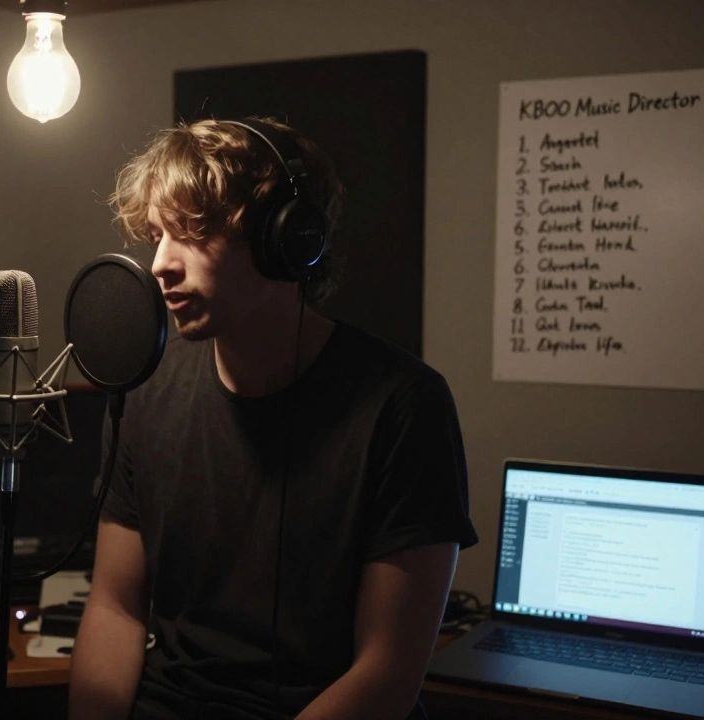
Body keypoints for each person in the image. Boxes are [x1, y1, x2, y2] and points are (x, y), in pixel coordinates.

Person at [68, 117, 478, 720]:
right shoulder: (146, 387)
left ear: (284, 240)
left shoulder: (403, 405)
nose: (159, 263)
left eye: (192, 234)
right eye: (157, 234)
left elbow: (387, 673)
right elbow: (116, 607)